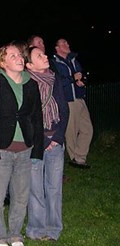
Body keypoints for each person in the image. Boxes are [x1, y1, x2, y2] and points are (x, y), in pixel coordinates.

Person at [0, 41, 44, 246]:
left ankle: (15, 234)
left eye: (20, 55)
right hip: (1, 149)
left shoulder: (31, 85)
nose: (19, 58)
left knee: (21, 196)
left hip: (25, 148)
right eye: (13, 55)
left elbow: (36, 118)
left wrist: (37, 149)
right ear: (3, 61)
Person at [25, 46, 69, 241]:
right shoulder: (26, 83)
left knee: (54, 188)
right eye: (39, 56)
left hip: (56, 142)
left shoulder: (54, 79)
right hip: (36, 143)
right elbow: (26, 117)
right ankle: (36, 229)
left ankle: (53, 229)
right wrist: (43, 140)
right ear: (29, 65)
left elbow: (63, 110)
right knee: (35, 188)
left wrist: (57, 138)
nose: (45, 57)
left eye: (43, 54)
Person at [51, 38, 93, 169]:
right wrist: (72, 79)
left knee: (88, 129)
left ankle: (79, 156)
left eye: (67, 43)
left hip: (80, 98)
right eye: (63, 43)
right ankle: (76, 159)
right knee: (71, 131)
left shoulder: (74, 60)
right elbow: (56, 82)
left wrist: (81, 81)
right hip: (68, 100)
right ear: (57, 48)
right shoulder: (54, 63)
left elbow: (80, 76)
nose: (67, 45)